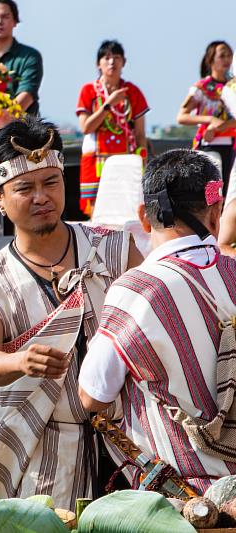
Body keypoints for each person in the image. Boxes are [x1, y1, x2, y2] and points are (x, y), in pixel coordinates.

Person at [0, 116, 142, 510]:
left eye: (51, 183)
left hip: (133, 444)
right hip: (44, 455)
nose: (42, 197)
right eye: (25, 188)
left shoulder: (115, 251)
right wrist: (22, 360)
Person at [79, 149, 234, 494]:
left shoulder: (135, 291)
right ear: (215, 213)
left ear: (143, 218)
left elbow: (92, 397)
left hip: (181, 498)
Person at [76, 40, 149, 216]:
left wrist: (142, 161)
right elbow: (86, 127)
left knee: (128, 207)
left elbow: (140, 133)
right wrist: (108, 105)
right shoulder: (88, 91)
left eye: (116, 57)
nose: (112, 62)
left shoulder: (132, 91)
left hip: (127, 157)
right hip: (96, 160)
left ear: (124, 62)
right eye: (107, 57)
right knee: (94, 209)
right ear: (98, 63)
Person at [177, 41, 236, 187]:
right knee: (211, 192)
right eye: (222, 56)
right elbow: (182, 116)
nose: (227, 60)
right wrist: (210, 120)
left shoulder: (232, 87)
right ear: (210, 60)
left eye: (229, 55)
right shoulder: (201, 88)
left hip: (232, 146)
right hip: (209, 146)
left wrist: (220, 126)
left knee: (229, 192)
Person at [0, 0, 43, 115]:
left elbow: (26, 96)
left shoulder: (29, 56)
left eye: (5, 17)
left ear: (15, 21)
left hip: (22, 130)